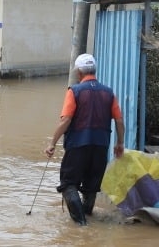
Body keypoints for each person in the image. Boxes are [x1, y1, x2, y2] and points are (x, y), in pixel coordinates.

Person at [45, 53, 125, 226]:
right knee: (91, 186)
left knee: (68, 184)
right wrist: (120, 143)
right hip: (101, 146)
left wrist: (52, 143)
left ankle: (81, 225)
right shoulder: (109, 93)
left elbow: (65, 120)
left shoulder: (74, 91)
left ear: (79, 72)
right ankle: (87, 219)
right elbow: (119, 120)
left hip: (77, 146)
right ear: (94, 71)